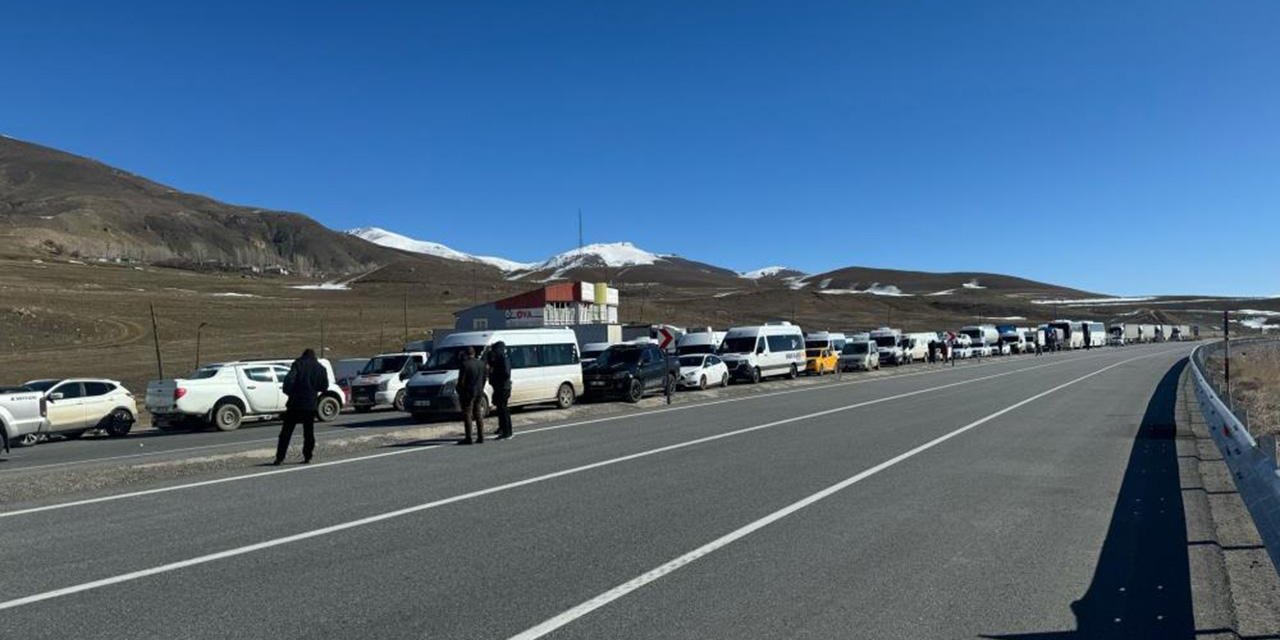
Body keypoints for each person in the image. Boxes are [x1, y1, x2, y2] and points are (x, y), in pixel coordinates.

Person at [275, 348, 330, 465]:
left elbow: (289, 380)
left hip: (294, 404)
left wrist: (290, 392)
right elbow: (324, 386)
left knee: (286, 433)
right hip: (310, 405)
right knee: (308, 433)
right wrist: (313, 390)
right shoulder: (320, 368)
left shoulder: (298, 364)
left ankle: (280, 457)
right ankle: (307, 456)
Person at [457, 347, 487, 445]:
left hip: (468, 392)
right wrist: (481, 388)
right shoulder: (481, 363)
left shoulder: (465, 365)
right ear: (474, 353)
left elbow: (461, 381)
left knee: (467, 414)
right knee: (478, 413)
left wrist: (460, 391)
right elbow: (484, 378)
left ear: (466, 354)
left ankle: (469, 437)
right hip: (479, 391)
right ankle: (481, 436)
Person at [487, 341, 513, 440]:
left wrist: (496, 376)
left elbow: (505, 373)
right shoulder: (500, 358)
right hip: (501, 386)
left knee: (503, 409)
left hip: (503, 387)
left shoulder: (502, 358)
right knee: (501, 409)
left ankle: (507, 432)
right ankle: (503, 428)